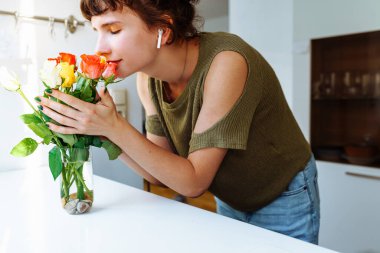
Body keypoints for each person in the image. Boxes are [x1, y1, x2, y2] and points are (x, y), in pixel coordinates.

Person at [37, 0, 320, 244]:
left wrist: (114, 126)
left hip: (284, 192)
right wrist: (103, 132)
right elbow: (158, 174)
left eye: (113, 30)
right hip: (230, 194)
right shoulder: (148, 81)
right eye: (96, 31)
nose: (100, 48)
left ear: (163, 28)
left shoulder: (227, 63)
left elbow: (194, 182)